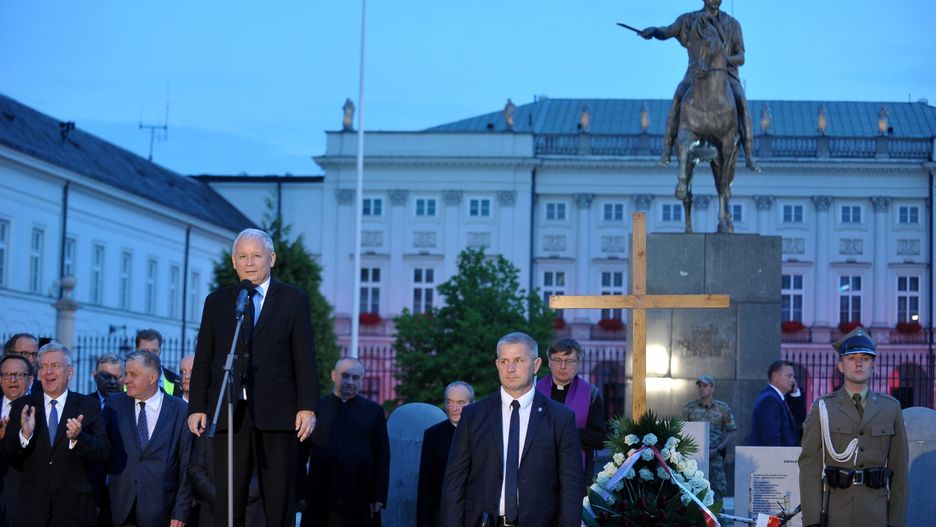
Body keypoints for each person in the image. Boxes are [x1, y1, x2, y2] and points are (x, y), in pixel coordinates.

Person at [188, 228, 319, 527]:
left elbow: (305, 357)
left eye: (256, 256)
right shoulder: (218, 301)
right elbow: (204, 357)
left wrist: (307, 406)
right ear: (234, 261)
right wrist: (197, 406)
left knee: (279, 498)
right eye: (243, 256)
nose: (250, 263)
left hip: (279, 413)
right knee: (229, 497)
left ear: (271, 259)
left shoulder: (293, 300)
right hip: (230, 411)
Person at [441, 332, 583, 527]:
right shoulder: (473, 415)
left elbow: (571, 486)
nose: (511, 368)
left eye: (518, 360)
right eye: (505, 361)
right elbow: (454, 482)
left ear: (536, 365)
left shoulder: (560, 418)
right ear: (497, 365)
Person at [798, 327, 908, 527]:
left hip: (876, 513)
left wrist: (896, 521)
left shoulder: (890, 407)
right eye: (851, 358)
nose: (859, 363)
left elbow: (899, 470)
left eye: (865, 358)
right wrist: (812, 521)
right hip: (835, 511)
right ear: (840, 365)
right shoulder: (823, 407)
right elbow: (809, 468)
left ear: (873, 365)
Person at [638, 0, 758, 171]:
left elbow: (741, 57)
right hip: (695, 74)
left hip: (726, 75)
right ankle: (666, 151)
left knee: (742, 103)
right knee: (678, 99)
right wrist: (654, 31)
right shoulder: (689, 20)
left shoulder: (732, 24)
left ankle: (748, 154)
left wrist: (723, 61)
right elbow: (667, 31)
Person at [1, 341, 110, 527]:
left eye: (55, 366)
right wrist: (24, 436)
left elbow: (103, 452)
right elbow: (8, 455)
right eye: (43, 366)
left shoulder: (88, 406)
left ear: (70, 372)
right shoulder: (23, 406)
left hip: (74, 512)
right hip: (31, 511)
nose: (48, 372)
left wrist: (78, 438)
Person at [103, 350, 192, 527]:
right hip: (119, 509)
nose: (126, 380)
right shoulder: (114, 404)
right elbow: (101, 449)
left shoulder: (180, 410)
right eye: (126, 374)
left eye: (133, 375)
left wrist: (181, 511)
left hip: (161, 510)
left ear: (152, 378)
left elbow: (186, 465)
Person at [298, 358, 390, 527]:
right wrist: (301, 493)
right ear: (334, 376)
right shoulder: (316, 408)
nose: (349, 382)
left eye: (355, 378)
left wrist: (378, 496)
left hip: (361, 493)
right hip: (320, 492)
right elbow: (300, 455)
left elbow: (382, 456)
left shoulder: (374, 411)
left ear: (361, 380)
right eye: (345, 376)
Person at [536, 337, 606, 487]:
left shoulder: (590, 394)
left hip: (576, 475)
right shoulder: (534, 391)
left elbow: (599, 439)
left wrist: (565, 432)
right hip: (538, 473)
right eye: (557, 360)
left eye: (569, 361)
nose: (562, 366)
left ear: (578, 363)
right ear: (549, 362)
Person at [417, 381, 474, 527]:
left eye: (461, 402)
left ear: (472, 404)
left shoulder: (484, 435)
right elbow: (425, 485)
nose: (454, 408)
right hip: (440, 515)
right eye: (450, 402)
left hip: (473, 514)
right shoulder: (432, 435)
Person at [680, 374, 737, 500]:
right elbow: (682, 430)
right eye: (699, 386)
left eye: (705, 386)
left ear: (712, 388)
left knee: (717, 488)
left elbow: (732, 431)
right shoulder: (689, 408)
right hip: (694, 457)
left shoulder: (722, 409)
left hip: (714, 455)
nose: (701, 389)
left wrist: (718, 449)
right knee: (692, 488)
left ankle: (718, 518)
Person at [1, 354, 34, 524]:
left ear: (30, 379)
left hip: (25, 497)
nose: (12, 380)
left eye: (19, 375)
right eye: (6, 375)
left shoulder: (41, 409)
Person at [747, 360, 799, 446]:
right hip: (776, 457)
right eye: (789, 376)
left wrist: (796, 393)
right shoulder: (770, 400)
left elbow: (799, 420)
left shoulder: (776, 398)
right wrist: (779, 459)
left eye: (793, 376)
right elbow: (771, 437)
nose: (793, 380)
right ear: (775, 377)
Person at [136, 329, 184, 397]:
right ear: (137, 351)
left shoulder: (176, 382)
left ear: (160, 351)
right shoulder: (126, 380)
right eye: (145, 351)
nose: (150, 355)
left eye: (154, 351)